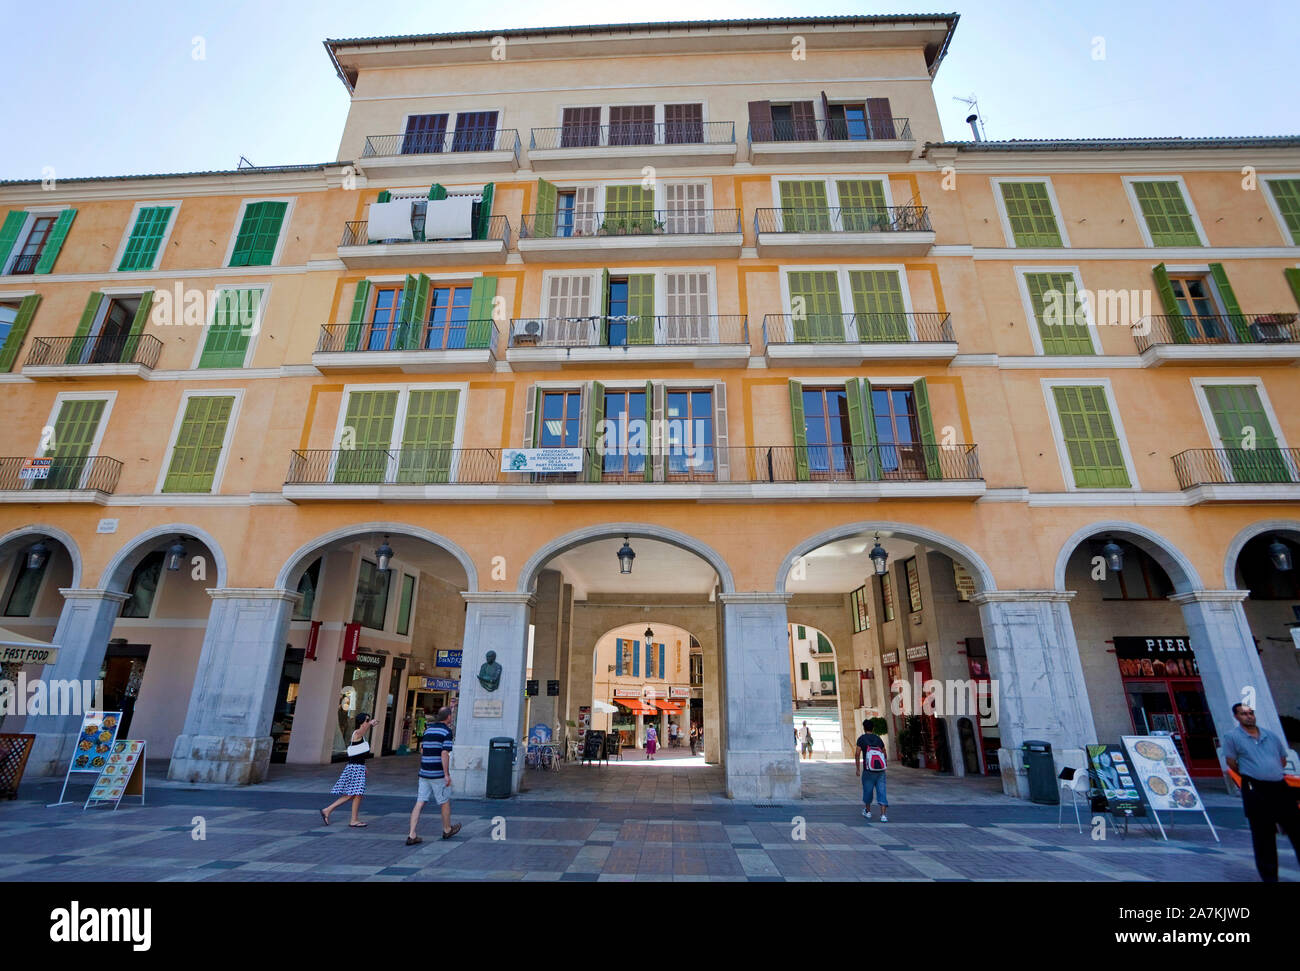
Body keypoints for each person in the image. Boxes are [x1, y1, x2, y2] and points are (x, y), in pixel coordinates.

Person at [1222, 703, 1300, 882]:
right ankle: (1269, 876)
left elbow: (1281, 758)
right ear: (1236, 717)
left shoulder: (1270, 736)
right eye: (1243, 714)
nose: (1248, 716)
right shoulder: (1232, 737)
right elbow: (1231, 762)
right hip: (1255, 788)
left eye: (1250, 713)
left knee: (1296, 828)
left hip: (1279, 786)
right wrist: (1252, 772)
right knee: (1263, 834)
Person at [407, 706, 461, 845]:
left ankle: (412, 833)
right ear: (448, 717)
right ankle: (447, 829)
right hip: (437, 774)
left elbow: (423, 749)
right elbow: (444, 753)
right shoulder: (446, 732)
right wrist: (446, 774)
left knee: (420, 802)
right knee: (444, 801)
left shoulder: (428, 729)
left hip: (424, 772)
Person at [322, 712, 375, 828]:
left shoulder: (360, 735)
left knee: (356, 794)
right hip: (355, 768)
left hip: (357, 767)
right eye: (366, 720)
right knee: (353, 794)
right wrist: (370, 724)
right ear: (361, 722)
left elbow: (358, 754)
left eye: (369, 720)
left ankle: (352, 818)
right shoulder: (357, 733)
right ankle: (331, 811)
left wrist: (364, 766)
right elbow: (362, 731)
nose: (368, 722)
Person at [855, 719, 889, 822]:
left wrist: (857, 768)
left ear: (864, 728)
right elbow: (884, 752)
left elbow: (857, 754)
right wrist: (884, 764)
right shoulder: (878, 739)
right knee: (882, 791)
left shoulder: (861, 739)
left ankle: (868, 812)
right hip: (880, 770)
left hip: (868, 769)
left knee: (868, 791)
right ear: (873, 728)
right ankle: (883, 815)